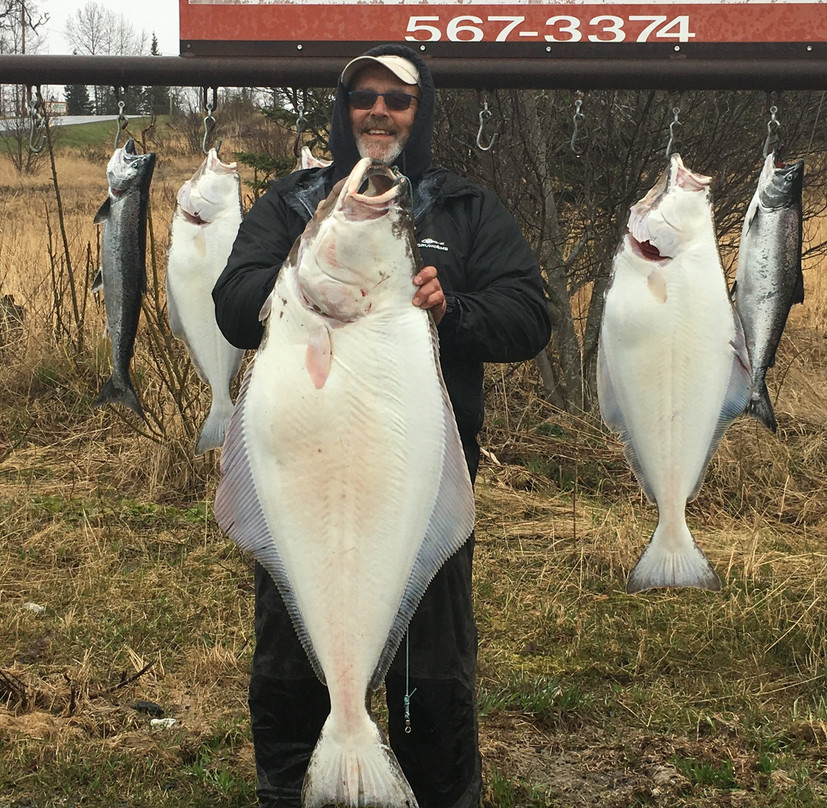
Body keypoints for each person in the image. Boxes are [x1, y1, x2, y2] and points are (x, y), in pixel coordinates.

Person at [212, 43, 551, 808]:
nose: (379, 111)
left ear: (420, 110)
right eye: (364, 96)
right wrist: (290, 278)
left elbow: (530, 318)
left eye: (397, 99)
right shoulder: (293, 203)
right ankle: (307, 783)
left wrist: (450, 309)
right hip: (300, 484)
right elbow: (234, 305)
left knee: (433, 691)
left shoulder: (467, 209)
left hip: (408, 485)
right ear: (344, 110)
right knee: (289, 680)